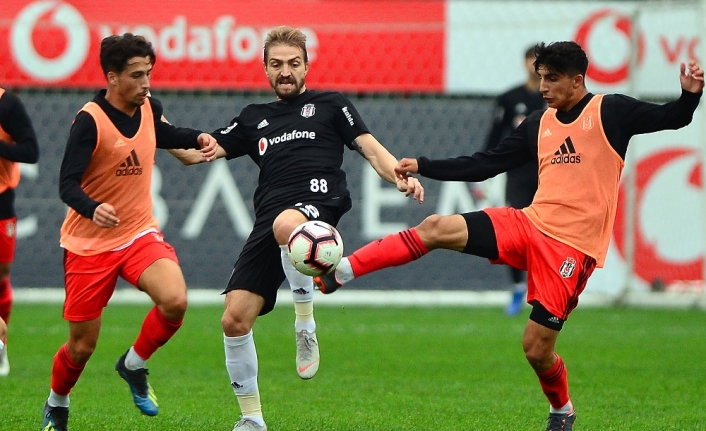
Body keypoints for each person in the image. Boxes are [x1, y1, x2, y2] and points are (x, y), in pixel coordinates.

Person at [314, 41, 703, 431]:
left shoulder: (611, 111)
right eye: (540, 77)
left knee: (536, 349)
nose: (543, 86)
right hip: (530, 224)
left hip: (571, 250)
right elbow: (486, 164)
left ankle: (561, 409)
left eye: (551, 79)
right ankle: (341, 272)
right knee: (435, 227)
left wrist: (690, 95)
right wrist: (424, 164)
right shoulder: (538, 122)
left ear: (577, 80)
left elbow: (673, 117)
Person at [169, 25, 423, 431]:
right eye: (276, 65)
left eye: (293, 64)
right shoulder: (253, 118)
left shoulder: (330, 104)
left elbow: (369, 147)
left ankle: (304, 322)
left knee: (289, 224)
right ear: (265, 69)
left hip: (321, 203)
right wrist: (153, 118)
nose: (285, 72)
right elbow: (191, 155)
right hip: (270, 220)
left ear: (306, 66)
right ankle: (251, 419)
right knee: (234, 319)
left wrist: (398, 175)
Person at [41, 33, 217, 431]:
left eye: (149, 74)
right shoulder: (90, 121)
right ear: (112, 78)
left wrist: (198, 137)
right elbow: (66, 184)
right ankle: (57, 403)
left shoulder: (149, 106)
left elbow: (166, 136)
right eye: (136, 76)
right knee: (82, 346)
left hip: (138, 232)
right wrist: (92, 208)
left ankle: (133, 365)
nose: (146, 83)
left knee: (175, 301)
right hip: (89, 244)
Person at [481, 45, 546, 316]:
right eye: (532, 60)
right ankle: (518, 286)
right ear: (525, 63)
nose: (535, 66)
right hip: (519, 172)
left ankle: (546, 288)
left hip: (550, 170)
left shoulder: (554, 97)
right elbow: (494, 137)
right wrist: (486, 168)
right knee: (516, 229)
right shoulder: (509, 99)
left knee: (547, 231)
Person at [0, 87, 40, 376]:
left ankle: (1, 345)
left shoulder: (7, 104)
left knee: (2, 274)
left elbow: (30, 150)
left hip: (1, 201)